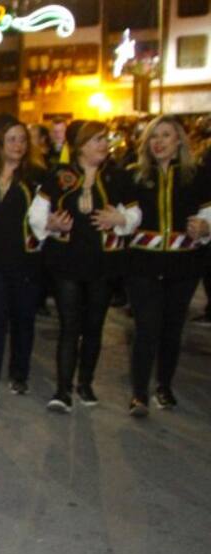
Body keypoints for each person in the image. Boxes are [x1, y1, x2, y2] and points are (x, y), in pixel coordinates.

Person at [30, 121, 139, 413]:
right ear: (80, 146)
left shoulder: (117, 176)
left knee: (94, 325)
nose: (104, 144)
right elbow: (37, 213)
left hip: (103, 263)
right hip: (66, 261)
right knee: (69, 326)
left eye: (105, 139)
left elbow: (134, 213)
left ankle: (86, 383)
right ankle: (63, 389)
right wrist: (51, 224)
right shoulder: (59, 176)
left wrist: (121, 220)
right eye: (96, 140)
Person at [124, 115, 211, 416]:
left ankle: (164, 386)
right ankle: (139, 394)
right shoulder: (134, 176)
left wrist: (206, 227)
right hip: (143, 265)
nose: (158, 142)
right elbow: (128, 217)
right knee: (146, 328)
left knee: (173, 329)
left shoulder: (197, 176)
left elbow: (208, 214)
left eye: (165, 135)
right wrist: (121, 220)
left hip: (183, 266)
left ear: (179, 141)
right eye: (153, 136)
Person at [0, 120, 49, 402]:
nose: (18, 145)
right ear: (0, 144)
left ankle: (19, 375)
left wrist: (53, 224)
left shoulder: (37, 178)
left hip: (25, 262)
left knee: (22, 321)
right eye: (12, 139)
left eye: (22, 140)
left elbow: (45, 217)